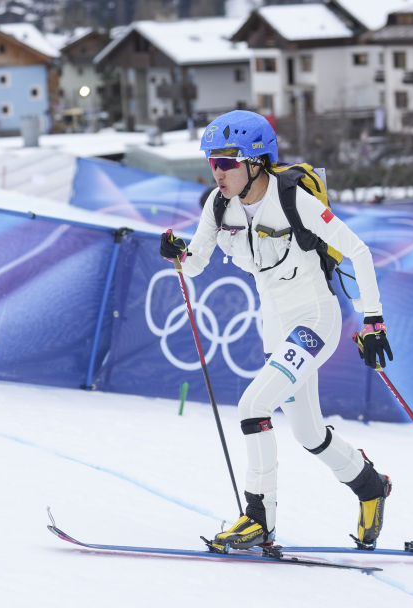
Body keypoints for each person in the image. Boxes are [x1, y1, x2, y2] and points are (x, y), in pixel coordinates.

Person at [159, 110, 393, 550]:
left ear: (255, 162)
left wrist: (374, 321)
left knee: (253, 405)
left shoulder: (292, 199)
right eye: (212, 161)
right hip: (277, 328)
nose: (217, 172)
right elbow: (196, 263)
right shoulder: (219, 204)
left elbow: (358, 251)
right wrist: (178, 254)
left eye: (226, 162)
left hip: (315, 321)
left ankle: (259, 519)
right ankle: (370, 486)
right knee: (308, 432)